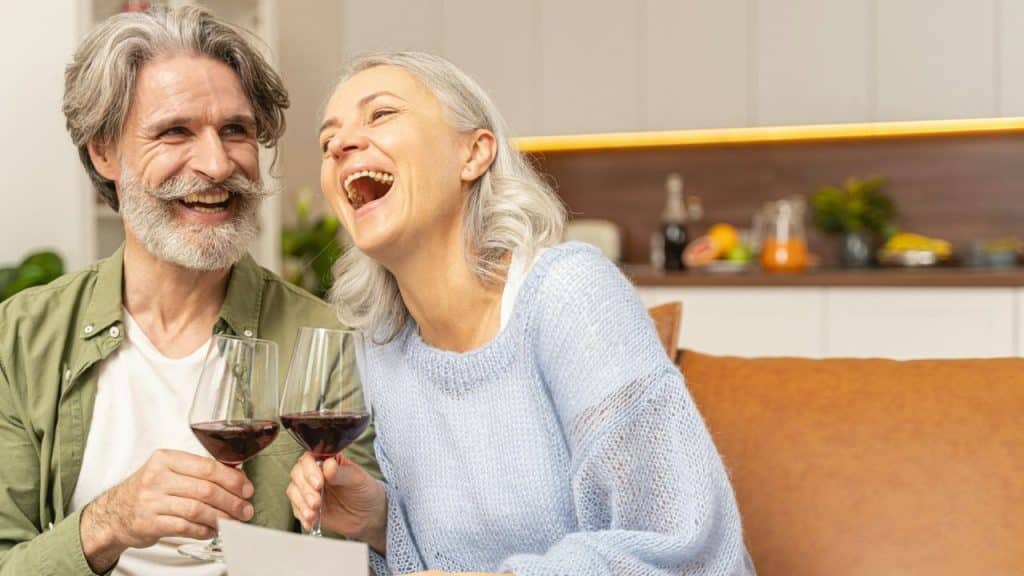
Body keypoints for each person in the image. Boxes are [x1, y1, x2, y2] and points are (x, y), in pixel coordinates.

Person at [286, 51, 755, 575]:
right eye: (328, 143)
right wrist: (381, 520)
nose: (343, 145)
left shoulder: (569, 294)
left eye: (382, 115)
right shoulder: (383, 349)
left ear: (474, 153)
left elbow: (681, 547)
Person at [0, 6, 377, 575]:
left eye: (236, 130)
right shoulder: (20, 337)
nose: (217, 163)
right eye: (175, 131)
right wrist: (109, 521)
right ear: (105, 152)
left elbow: (353, 558)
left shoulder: (325, 341)